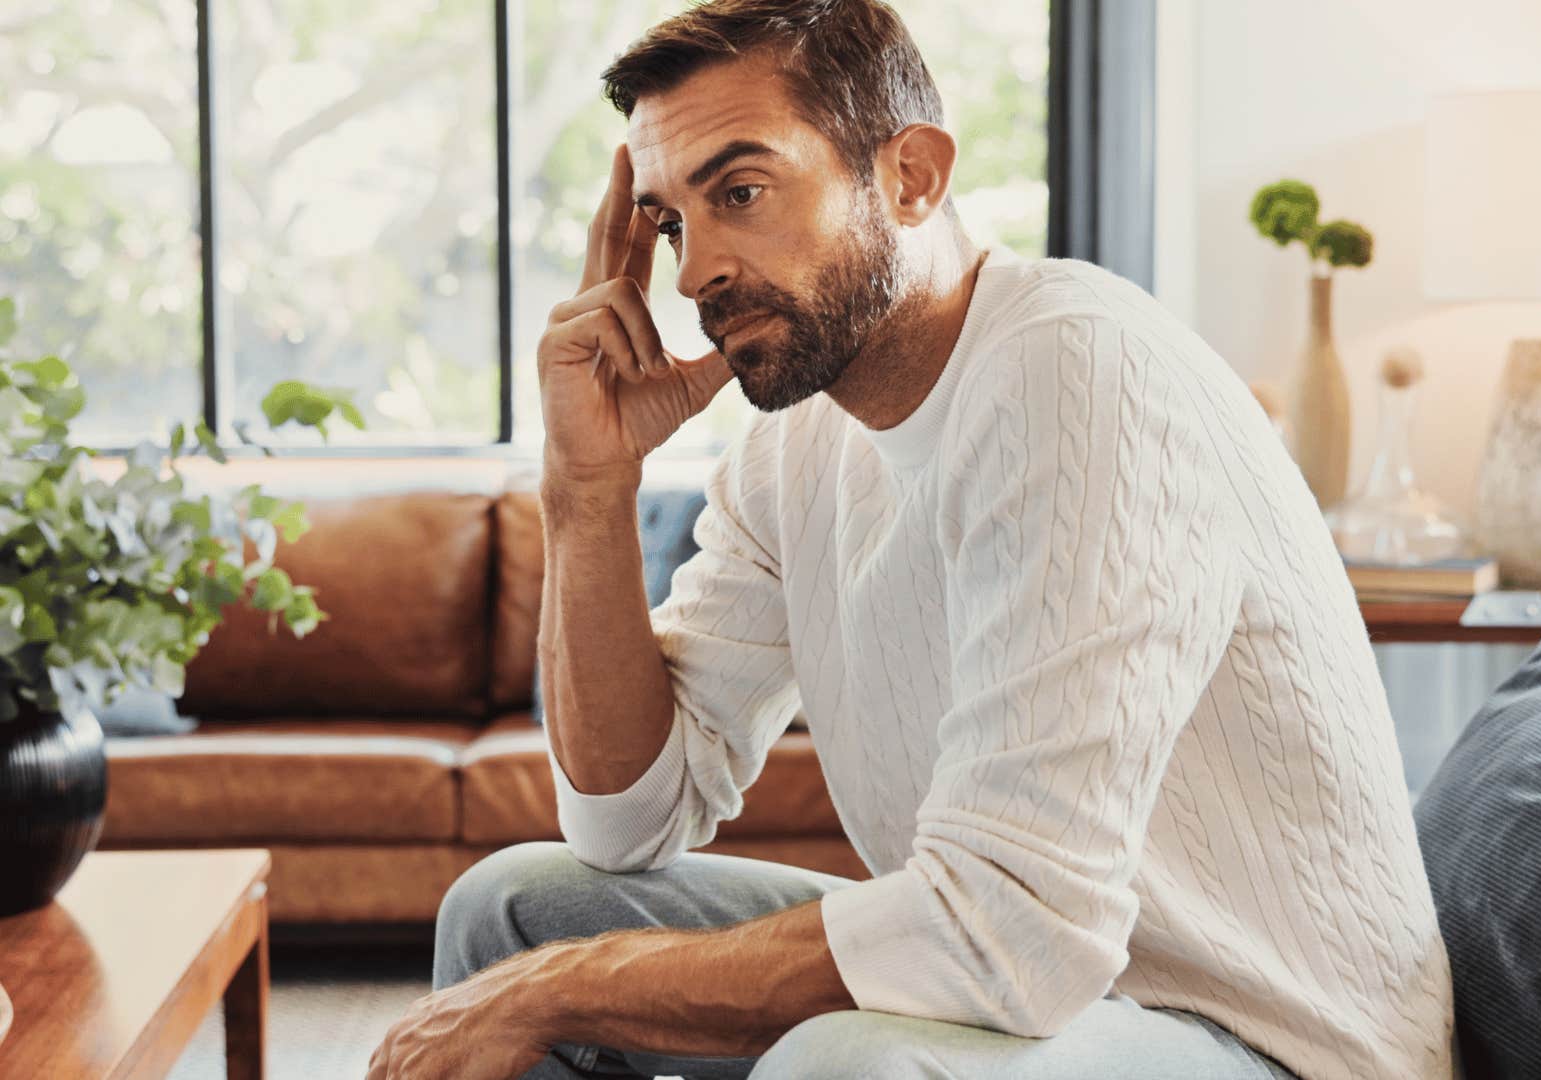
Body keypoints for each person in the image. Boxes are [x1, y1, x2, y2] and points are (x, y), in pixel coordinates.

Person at [367, 2, 1454, 1077]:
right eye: (670, 224)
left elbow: (1007, 933)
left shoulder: (1077, 375)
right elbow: (627, 822)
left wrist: (560, 993)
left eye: (740, 193)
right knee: (515, 914)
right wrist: (586, 489)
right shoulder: (793, 452)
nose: (694, 272)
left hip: (1269, 1040)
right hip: (1043, 995)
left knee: (847, 1067)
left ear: (912, 178)